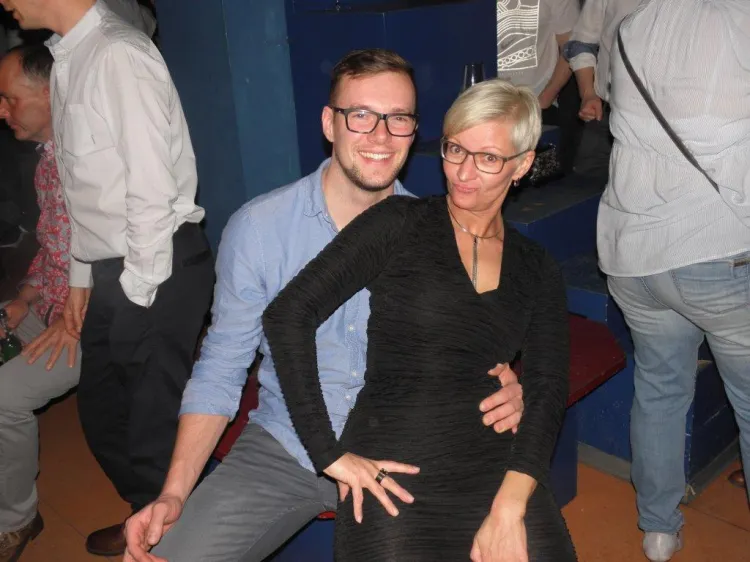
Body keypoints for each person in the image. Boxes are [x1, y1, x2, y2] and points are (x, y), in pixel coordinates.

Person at [124, 49, 526, 562]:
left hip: (410, 452)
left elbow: (478, 347)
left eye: (398, 118)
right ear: (328, 124)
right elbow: (222, 366)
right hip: (288, 448)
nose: (381, 136)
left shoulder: (447, 234)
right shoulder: (260, 229)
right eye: (360, 115)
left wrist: (510, 384)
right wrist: (174, 492)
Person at [263, 78, 576, 561]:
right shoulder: (400, 222)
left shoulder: (537, 267)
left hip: (497, 463)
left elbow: (548, 386)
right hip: (394, 462)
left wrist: (510, 508)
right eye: (455, 150)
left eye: (488, 158)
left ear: (522, 165)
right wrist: (327, 454)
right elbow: (288, 314)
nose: (464, 172)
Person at [0, 0, 215, 556]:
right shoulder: (69, 58)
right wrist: (80, 275)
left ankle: (174, 541)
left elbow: (150, 187)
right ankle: (148, 512)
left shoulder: (119, 53)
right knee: (104, 414)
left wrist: (138, 291)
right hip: (108, 267)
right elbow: (82, 187)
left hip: (152, 264)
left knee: (151, 428)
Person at [598, 1, 750, 560]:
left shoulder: (635, 22)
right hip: (717, 250)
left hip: (634, 251)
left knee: (660, 390)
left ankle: (658, 531)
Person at [0, 43, 79, 562]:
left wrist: (71, 320)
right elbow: (53, 250)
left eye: (9, 99)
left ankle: (15, 519)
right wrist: (23, 299)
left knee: (4, 398)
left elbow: (121, 265)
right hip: (48, 307)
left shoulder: (88, 163)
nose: (1, 111)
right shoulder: (47, 161)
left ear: (50, 94)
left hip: (92, 321)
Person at [496, 0, 581, 174]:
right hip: (490, 103)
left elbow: (572, 48)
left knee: (531, 178)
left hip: (535, 104)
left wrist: (545, 99)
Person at [562, 0, 641, 182]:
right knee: (586, 187)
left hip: (667, 121)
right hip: (605, 117)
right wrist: (588, 94)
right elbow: (582, 43)